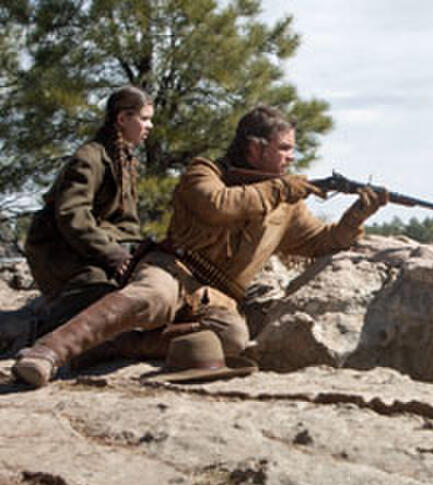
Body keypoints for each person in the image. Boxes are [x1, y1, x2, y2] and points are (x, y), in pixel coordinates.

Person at [11, 105, 388, 387]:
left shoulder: (288, 204)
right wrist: (282, 188)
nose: (292, 156)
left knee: (232, 338)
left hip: (218, 297)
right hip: (174, 268)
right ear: (255, 150)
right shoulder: (204, 171)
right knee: (151, 297)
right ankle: (49, 351)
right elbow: (217, 205)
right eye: (284, 148)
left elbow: (324, 241)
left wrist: (358, 214)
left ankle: (118, 344)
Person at [0, 85, 154, 355]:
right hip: (57, 250)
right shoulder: (90, 158)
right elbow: (72, 216)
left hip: (84, 247)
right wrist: (114, 256)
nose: (149, 126)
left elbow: (126, 225)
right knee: (98, 284)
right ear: (122, 119)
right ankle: (33, 331)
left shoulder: (125, 160)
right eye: (144, 118)